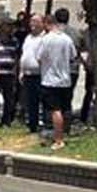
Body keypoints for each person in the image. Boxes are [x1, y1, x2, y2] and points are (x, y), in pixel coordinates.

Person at [37, 14, 77, 150]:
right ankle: (65, 133)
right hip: (65, 79)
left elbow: (39, 57)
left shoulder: (46, 39)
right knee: (66, 108)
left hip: (50, 80)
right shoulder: (67, 39)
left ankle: (58, 139)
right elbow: (73, 56)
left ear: (47, 24)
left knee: (55, 111)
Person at [53, 8, 83, 125]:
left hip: (57, 69)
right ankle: (67, 125)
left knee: (56, 99)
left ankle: (55, 124)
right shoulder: (76, 33)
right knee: (68, 98)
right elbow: (81, 49)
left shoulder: (54, 34)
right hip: (73, 69)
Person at [19, 14, 46, 133]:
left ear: (42, 23)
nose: (32, 24)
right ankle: (32, 125)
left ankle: (44, 124)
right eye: (31, 21)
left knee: (42, 101)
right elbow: (24, 55)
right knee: (30, 101)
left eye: (35, 21)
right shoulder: (28, 38)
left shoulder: (45, 38)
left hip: (40, 74)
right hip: (27, 74)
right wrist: (21, 71)